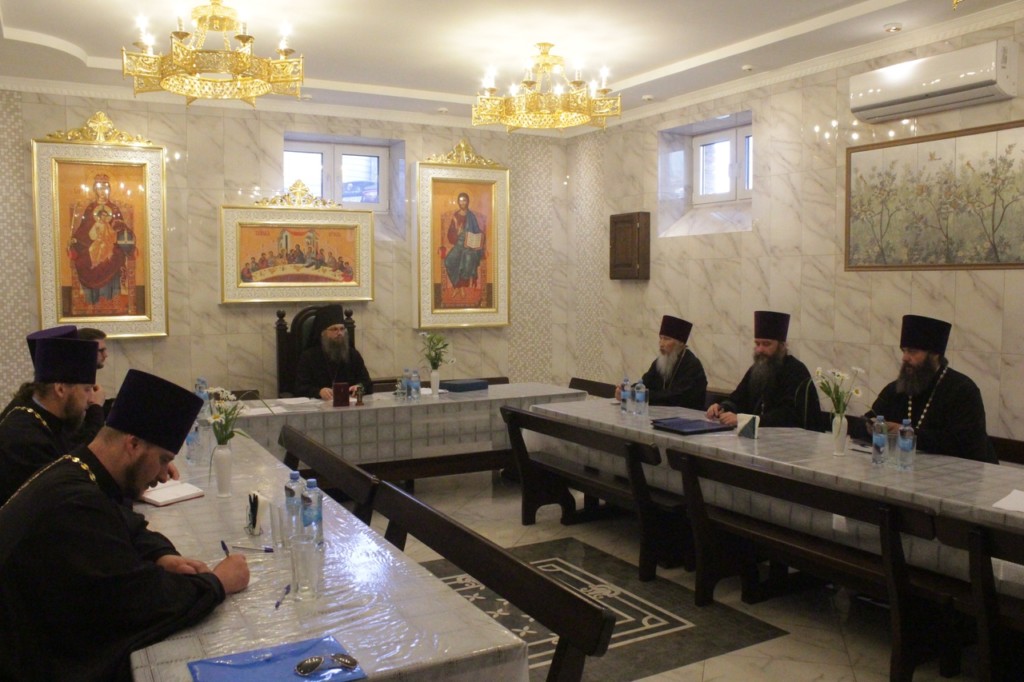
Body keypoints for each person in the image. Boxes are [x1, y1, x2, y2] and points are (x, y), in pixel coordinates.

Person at [0, 369, 250, 681]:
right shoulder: (76, 503)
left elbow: (124, 522)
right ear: (132, 444)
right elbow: (139, 601)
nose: (164, 475)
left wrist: (162, 555)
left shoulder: (81, 470)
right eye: (162, 459)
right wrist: (218, 583)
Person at [867, 314, 996, 463]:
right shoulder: (896, 389)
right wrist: (871, 426)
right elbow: (867, 419)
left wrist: (909, 434)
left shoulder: (963, 390)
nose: (905, 358)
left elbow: (964, 443)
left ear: (934, 354)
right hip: (907, 467)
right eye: (904, 351)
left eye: (912, 351)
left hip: (961, 471)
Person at [0, 335, 98, 505]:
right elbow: (64, 499)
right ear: (60, 389)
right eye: (87, 389)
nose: (91, 399)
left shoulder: (51, 420)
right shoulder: (26, 440)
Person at [706, 310, 821, 429]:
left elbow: (788, 415)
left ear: (781, 346)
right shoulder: (756, 369)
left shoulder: (796, 371)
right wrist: (722, 407)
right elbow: (738, 398)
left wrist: (745, 420)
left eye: (766, 344)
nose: (760, 349)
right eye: (757, 344)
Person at [68, 174, 135, 304]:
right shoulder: (90, 209)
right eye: (100, 188)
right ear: (95, 190)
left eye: (105, 188)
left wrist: (119, 232)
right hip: (92, 244)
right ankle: (92, 299)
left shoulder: (114, 208)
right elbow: (84, 229)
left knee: (115, 255)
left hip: (111, 243)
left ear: (109, 189)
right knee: (85, 259)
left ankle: (111, 297)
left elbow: (121, 228)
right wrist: (74, 241)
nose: (103, 191)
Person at [617, 315, 708, 409]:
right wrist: (627, 390)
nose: (661, 343)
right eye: (660, 338)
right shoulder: (660, 362)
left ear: (680, 343)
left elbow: (676, 397)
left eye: (666, 339)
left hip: (688, 415)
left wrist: (639, 395)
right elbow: (644, 383)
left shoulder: (692, 365)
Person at [294, 304, 373, 400]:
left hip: (349, 405)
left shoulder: (353, 354)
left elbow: (367, 383)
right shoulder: (308, 357)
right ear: (323, 333)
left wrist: (360, 387)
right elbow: (299, 388)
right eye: (334, 329)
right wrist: (318, 392)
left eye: (342, 329)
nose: (339, 333)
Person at [443, 192, 485, 290]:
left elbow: (477, 230)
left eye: (464, 200)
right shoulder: (455, 216)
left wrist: (481, 236)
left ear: (468, 202)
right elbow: (450, 235)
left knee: (467, 259)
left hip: (469, 246)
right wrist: (457, 234)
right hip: (458, 244)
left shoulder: (471, 216)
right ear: (458, 202)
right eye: (460, 201)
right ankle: (457, 285)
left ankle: (462, 287)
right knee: (448, 261)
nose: (462, 203)